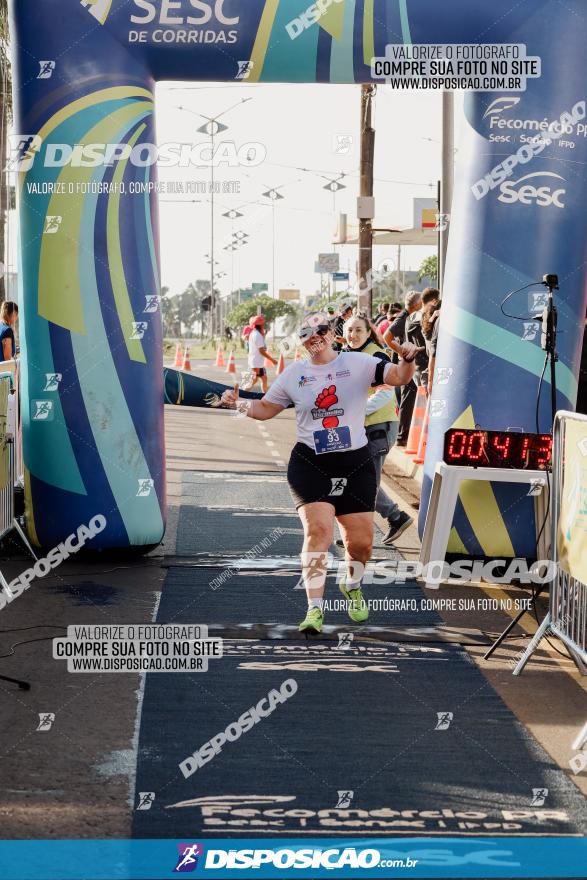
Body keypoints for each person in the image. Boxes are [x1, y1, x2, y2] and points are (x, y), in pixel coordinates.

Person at [220, 312, 418, 633]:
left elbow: (398, 377)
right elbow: (266, 409)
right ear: (300, 340)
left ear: (331, 332)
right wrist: (239, 403)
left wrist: (407, 360)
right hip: (311, 462)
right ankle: (314, 609)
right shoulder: (293, 374)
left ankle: (351, 585)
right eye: (306, 333)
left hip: (354, 462)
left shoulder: (357, 363)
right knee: (318, 532)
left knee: (362, 544)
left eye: (321, 330)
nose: (314, 337)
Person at [343, 313, 414, 544]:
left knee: (363, 483)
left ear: (368, 332)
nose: (353, 335)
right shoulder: (352, 355)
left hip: (379, 427)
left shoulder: (375, 355)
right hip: (362, 427)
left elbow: (385, 392)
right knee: (356, 480)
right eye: (349, 330)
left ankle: (395, 517)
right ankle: (359, 530)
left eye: (358, 330)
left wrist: (356, 410)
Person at [382, 291, 423, 446]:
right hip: (408, 364)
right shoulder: (403, 317)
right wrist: (402, 352)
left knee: (410, 397)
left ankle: (405, 434)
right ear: (417, 305)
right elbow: (387, 337)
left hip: (411, 363)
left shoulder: (411, 316)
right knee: (407, 398)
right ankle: (402, 436)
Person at [242, 315, 276, 393]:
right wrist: (272, 360)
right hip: (256, 363)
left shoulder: (255, 333)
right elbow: (261, 351)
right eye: (263, 323)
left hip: (257, 363)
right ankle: (242, 394)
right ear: (260, 325)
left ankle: (265, 396)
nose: (264, 325)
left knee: (264, 379)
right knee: (253, 381)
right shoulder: (257, 335)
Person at [421, 298, 441, 395]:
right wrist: (430, 381)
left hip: (429, 372)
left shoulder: (427, 330)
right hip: (433, 373)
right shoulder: (436, 327)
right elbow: (433, 355)